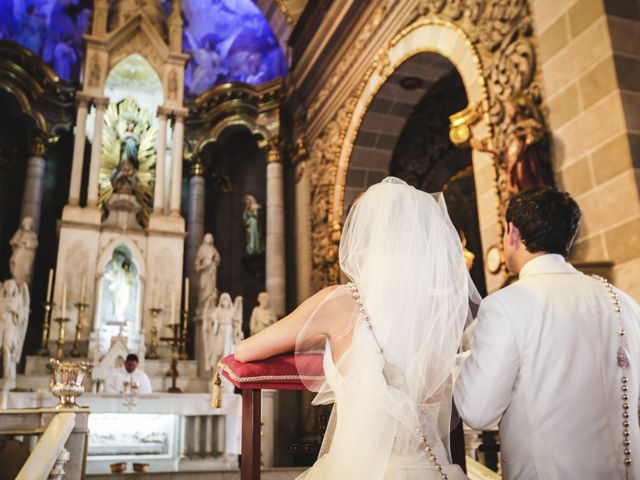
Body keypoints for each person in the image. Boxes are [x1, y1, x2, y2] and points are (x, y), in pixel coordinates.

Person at [236, 177, 478, 479]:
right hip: (428, 467)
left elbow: (246, 350)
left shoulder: (338, 303)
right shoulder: (437, 315)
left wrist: (321, 342)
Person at [454, 187, 640, 479]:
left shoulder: (505, 305)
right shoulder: (624, 301)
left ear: (513, 232)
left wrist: (457, 366)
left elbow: (478, 411)